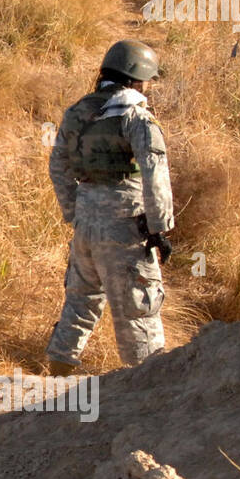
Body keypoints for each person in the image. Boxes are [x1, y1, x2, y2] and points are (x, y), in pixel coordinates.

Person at [45, 40, 174, 376]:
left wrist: (74, 212)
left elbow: (57, 163)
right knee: (138, 308)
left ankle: (57, 377)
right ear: (137, 79)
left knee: (80, 300)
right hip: (125, 223)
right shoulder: (136, 115)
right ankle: (148, 385)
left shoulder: (77, 112)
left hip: (86, 220)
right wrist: (159, 227)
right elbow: (154, 170)